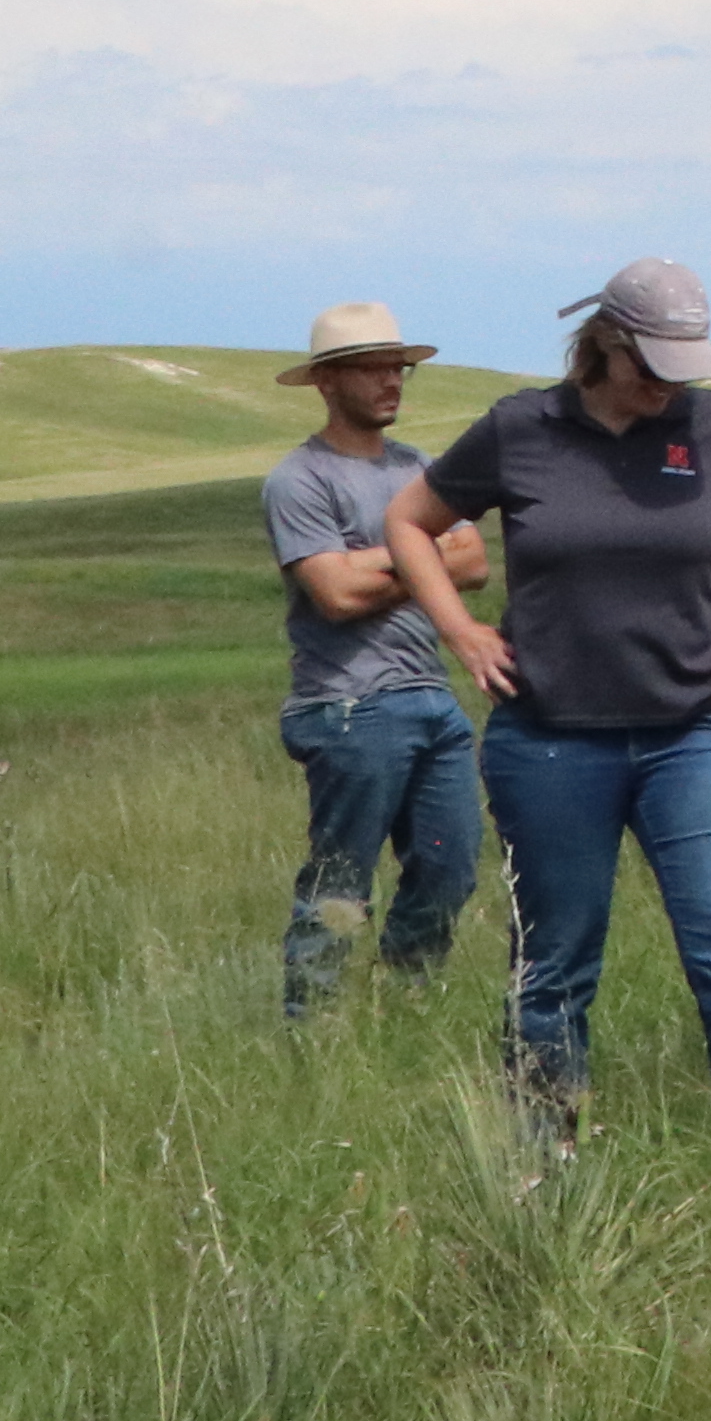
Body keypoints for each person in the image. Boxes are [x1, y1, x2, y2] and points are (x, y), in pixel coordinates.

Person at [379, 259, 711, 1162]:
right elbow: (408, 523)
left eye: (683, 369)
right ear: (606, 344)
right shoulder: (520, 429)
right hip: (550, 741)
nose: (669, 388)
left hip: (697, 730)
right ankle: (544, 1163)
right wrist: (460, 631)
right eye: (653, 367)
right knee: (553, 965)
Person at [262, 303, 483, 1016]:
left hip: (432, 697)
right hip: (349, 705)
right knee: (339, 886)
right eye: (373, 367)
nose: (393, 380)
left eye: (400, 366)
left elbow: (476, 560)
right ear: (327, 381)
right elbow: (333, 594)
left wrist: (380, 564)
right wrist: (424, 555)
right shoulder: (299, 479)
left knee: (451, 869)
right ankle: (312, 1028)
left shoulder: (421, 467)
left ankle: (406, 1003)